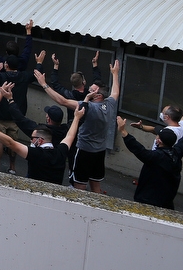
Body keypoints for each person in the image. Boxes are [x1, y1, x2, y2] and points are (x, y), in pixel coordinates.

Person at [38, 60, 121, 193]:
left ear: (98, 95)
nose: (89, 89)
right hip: (100, 152)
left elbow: (62, 101)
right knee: (96, 187)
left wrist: (44, 84)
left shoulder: (90, 108)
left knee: (79, 187)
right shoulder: (110, 104)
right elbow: (115, 92)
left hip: (84, 151)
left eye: (92, 90)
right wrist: (115, 74)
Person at [0, 105, 84, 185]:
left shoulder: (36, 154)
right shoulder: (61, 151)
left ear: (39, 141)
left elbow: (10, 143)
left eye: (32, 138)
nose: (31, 140)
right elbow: (70, 135)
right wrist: (76, 118)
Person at [118, 107, 183, 210]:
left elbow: (138, 149)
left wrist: (123, 131)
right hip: (166, 201)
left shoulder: (156, 157)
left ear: (159, 141)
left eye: (157, 136)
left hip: (148, 200)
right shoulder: (177, 153)